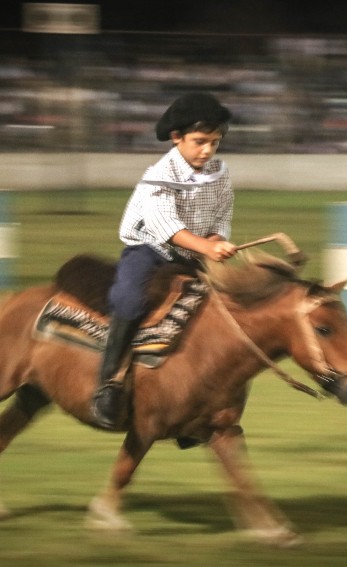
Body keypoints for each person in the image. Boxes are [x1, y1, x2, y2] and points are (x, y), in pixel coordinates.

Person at [91, 92, 238, 430]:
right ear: (177, 137)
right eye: (200, 141)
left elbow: (223, 211)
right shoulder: (158, 175)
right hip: (150, 250)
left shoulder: (220, 172)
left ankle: (203, 397)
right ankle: (108, 384)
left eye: (215, 143)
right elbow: (165, 228)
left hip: (194, 251)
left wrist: (217, 237)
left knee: (221, 308)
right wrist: (206, 248)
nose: (207, 150)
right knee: (128, 298)